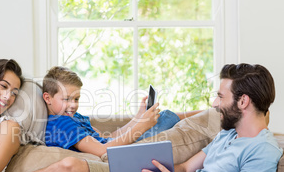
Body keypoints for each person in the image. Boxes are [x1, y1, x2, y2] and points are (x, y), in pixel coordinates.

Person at [0, 63, 282, 172]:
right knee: (67, 171)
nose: (215, 103)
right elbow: (184, 167)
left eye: (221, 97)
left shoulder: (262, 150)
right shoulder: (227, 134)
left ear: (243, 101)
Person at [43, 66, 200, 157]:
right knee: (165, 118)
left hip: (117, 150)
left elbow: (108, 139)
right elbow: (102, 151)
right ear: (48, 98)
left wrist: (138, 118)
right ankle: (209, 113)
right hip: (115, 158)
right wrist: (141, 127)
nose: (73, 105)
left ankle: (209, 113)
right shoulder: (60, 123)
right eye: (66, 99)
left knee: (166, 120)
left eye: (76, 99)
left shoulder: (73, 117)